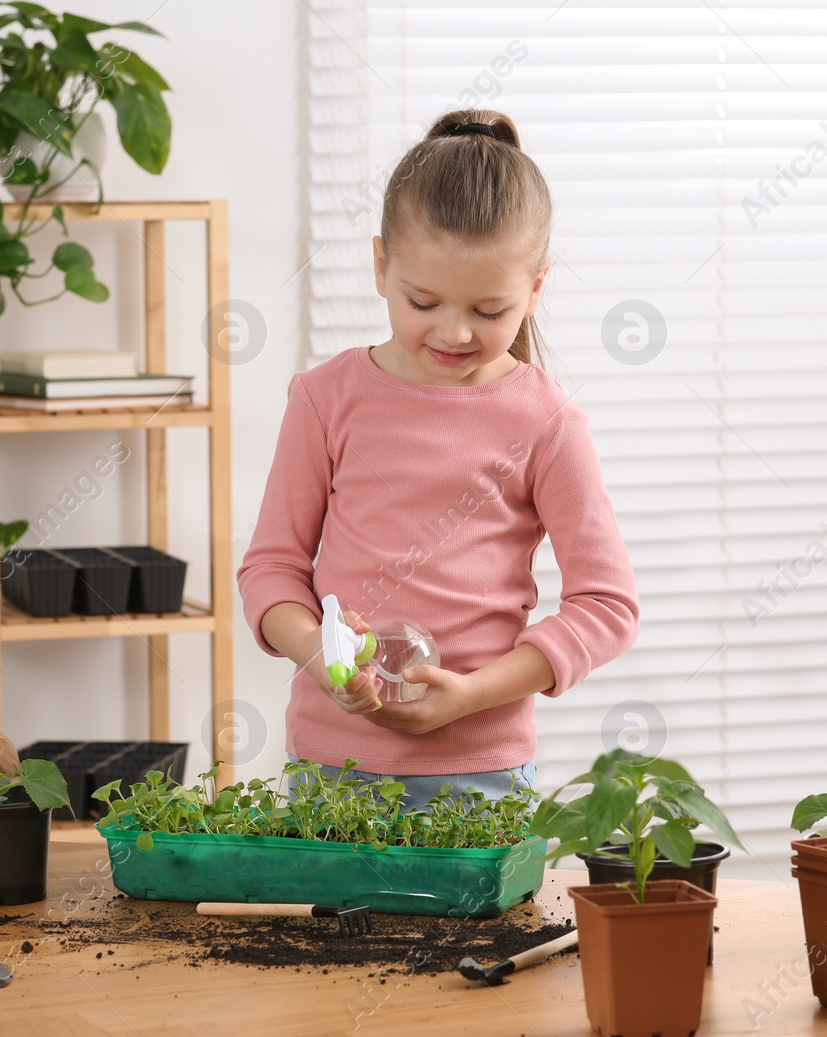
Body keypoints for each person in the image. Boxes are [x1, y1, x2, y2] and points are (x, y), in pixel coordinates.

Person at [236, 108, 639, 808]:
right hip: (333, 766)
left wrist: (472, 696)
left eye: (489, 312)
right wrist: (324, 659)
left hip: (480, 772)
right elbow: (270, 571)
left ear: (536, 287)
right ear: (381, 265)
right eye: (423, 301)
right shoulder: (324, 398)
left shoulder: (547, 421)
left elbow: (608, 605)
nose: (453, 331)